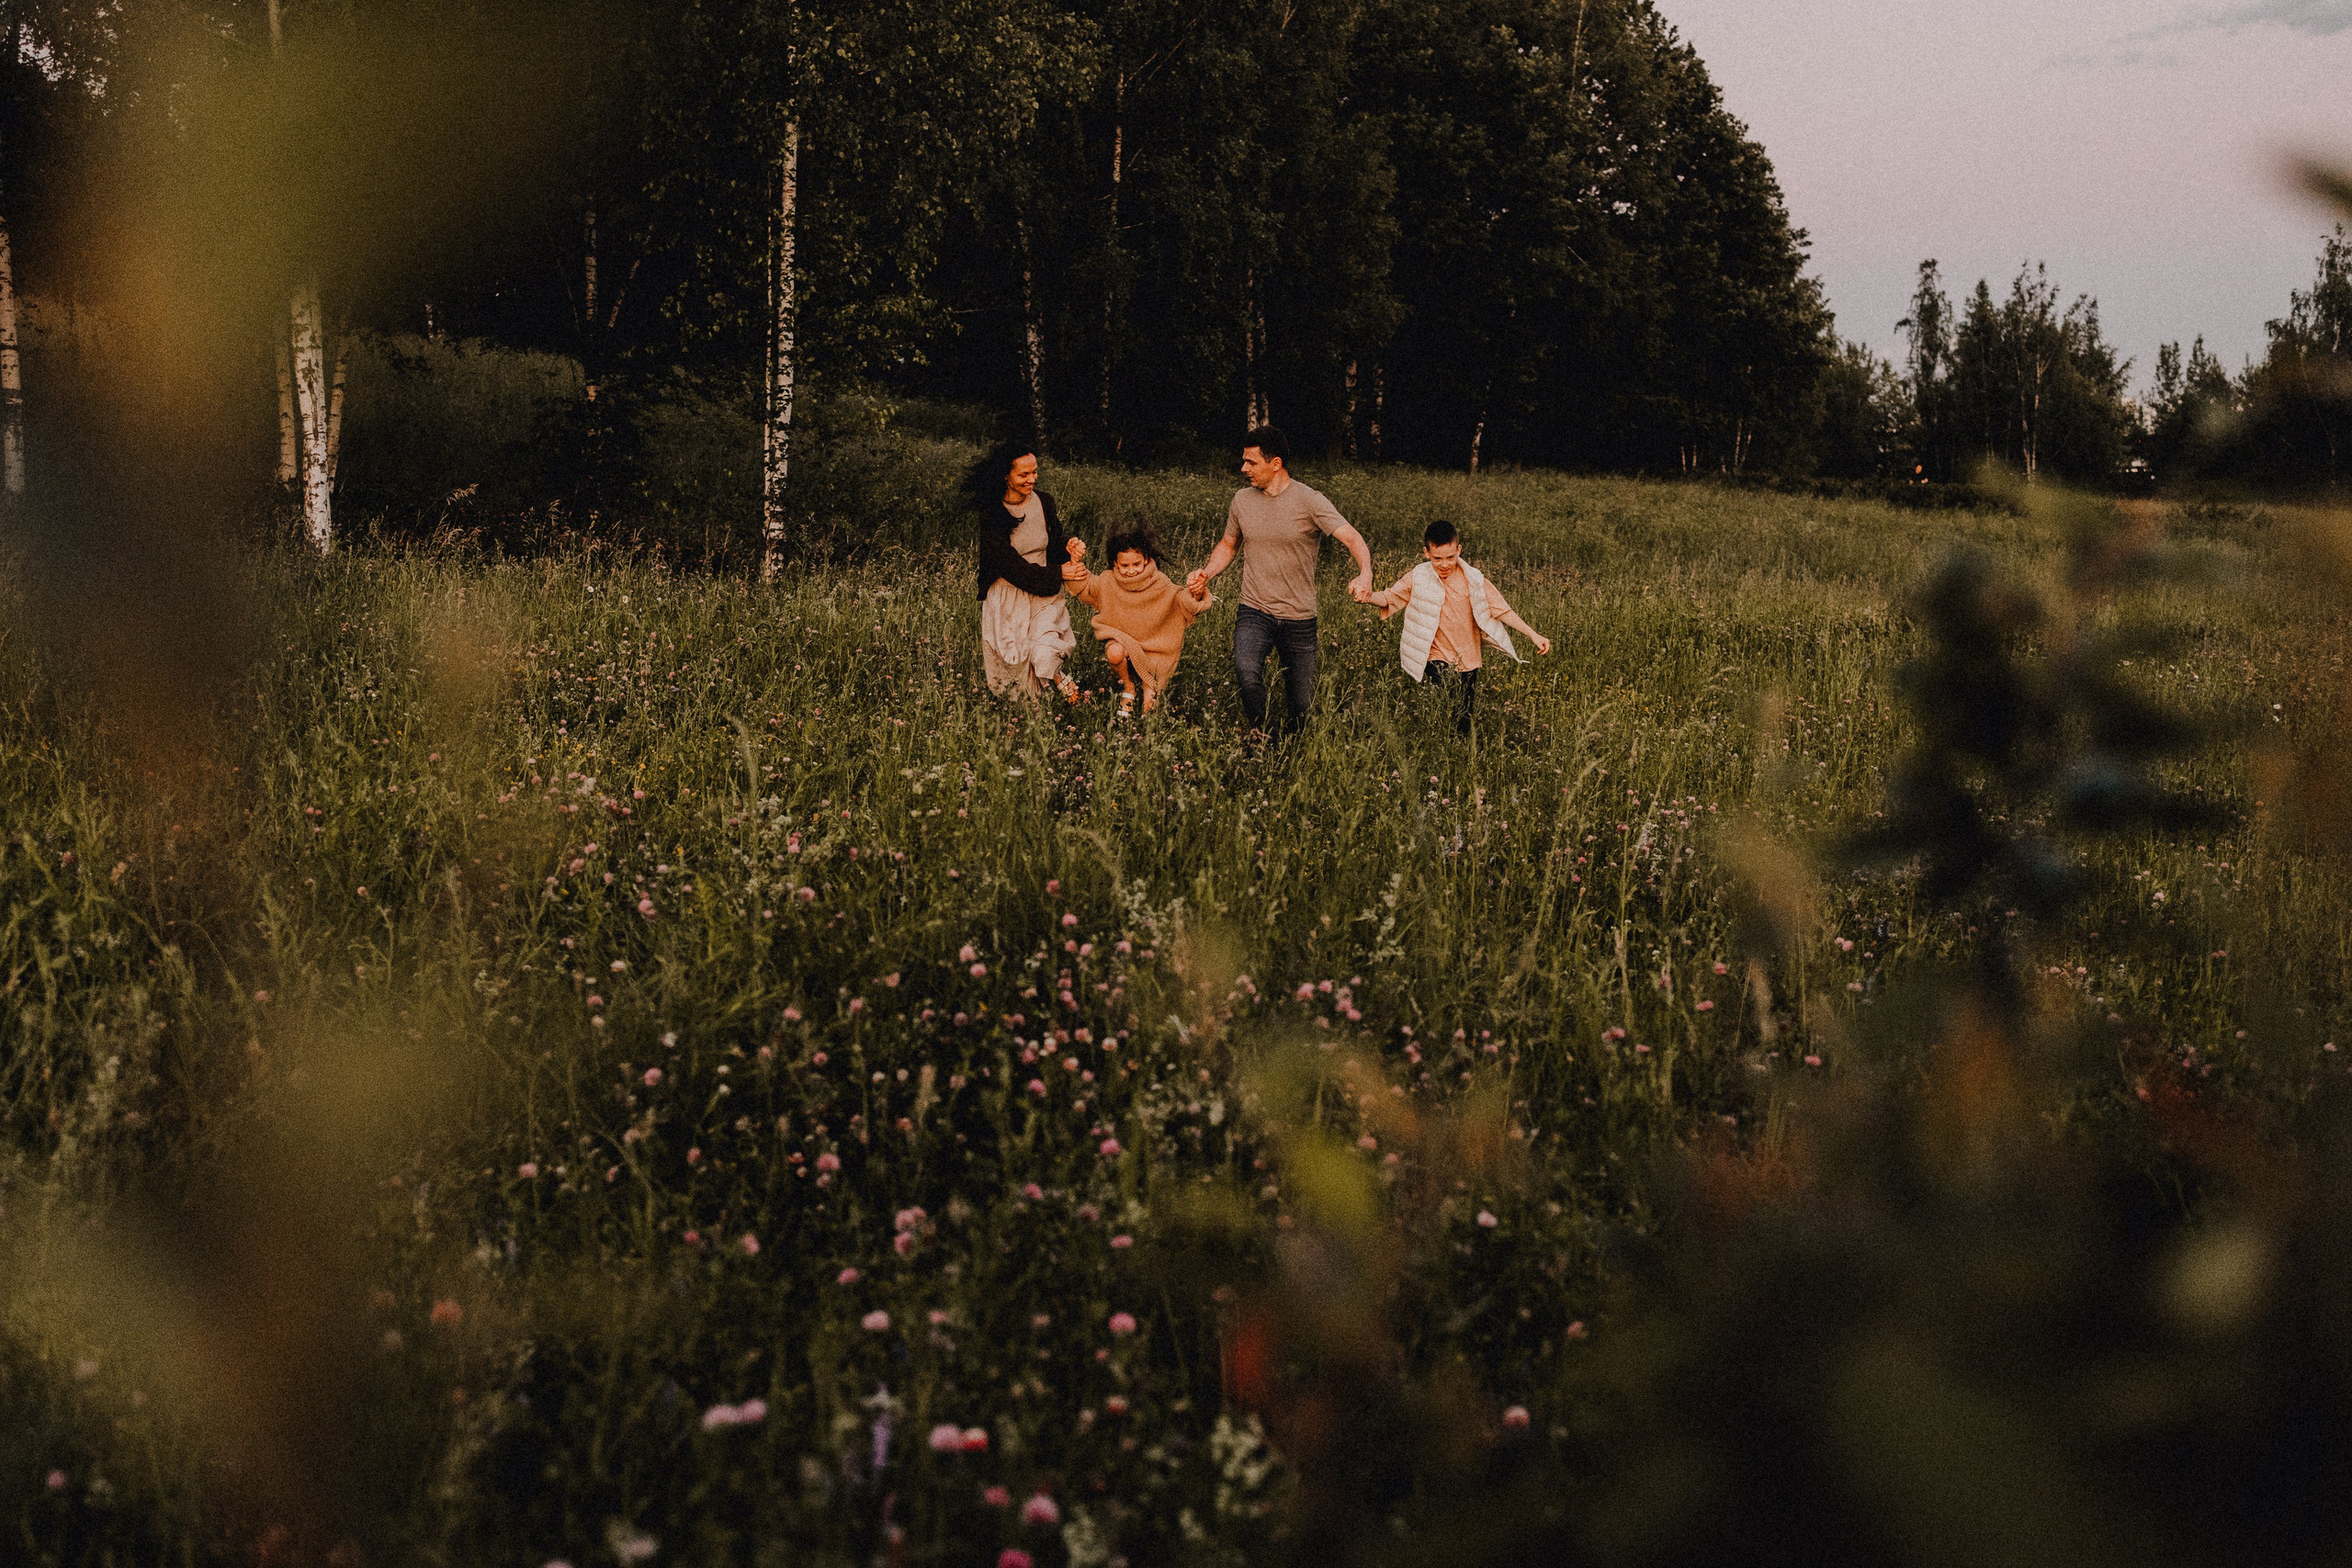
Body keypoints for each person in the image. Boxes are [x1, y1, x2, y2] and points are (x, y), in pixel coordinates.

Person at [1186, 426, 1374, 739]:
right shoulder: (1241, 500)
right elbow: (1228, 544)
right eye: (1243, 461)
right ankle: (1261, 733)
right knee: (1247, 673)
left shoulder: (1310, 501)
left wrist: (1365, 572)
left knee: (1300, 706)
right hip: (1254, 609)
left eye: (1251, 462)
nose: (1243, 469)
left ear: (1275, 464)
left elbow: (1353, 538)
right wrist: (1207, 572)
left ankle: (1291, 748)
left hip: (1299, 617)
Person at [1363, 519, 1551, 736]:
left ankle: (1460, 753)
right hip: (1435, 655)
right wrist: (1368, 597)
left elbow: (1502, 610)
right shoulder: (1418, 577)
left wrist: (1533, 635)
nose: (1444, 564)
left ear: (1459, 550)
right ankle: (1438, 742)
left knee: (1463, 715)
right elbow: (1389, 598)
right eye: (1437, 559)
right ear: (1426, 553)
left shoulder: (1473, 579)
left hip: (1468, 657)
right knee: (1449, 699)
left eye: (1450, 557)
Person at [1060, 517, 1214, 718]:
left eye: (1136, 564)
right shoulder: (1108, 581)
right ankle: (1129, 686)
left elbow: (1180, 600)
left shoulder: (1159, 582)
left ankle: (1147, 695)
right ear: (1115, 563)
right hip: (1122, 644)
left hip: (1154, 651)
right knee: (1114, 652)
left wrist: (1196, 591)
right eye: (1124, 565)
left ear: (1147, 560)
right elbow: (1086, 585)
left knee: (1150, 711)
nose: (1131, 571)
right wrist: (1075, 561)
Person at [968, 441, 1081, 703]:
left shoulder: (1044, 502)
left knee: (1044, 648)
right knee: (1016, 676)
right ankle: (1035, 708)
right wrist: (1058, 574)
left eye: (1035, 472)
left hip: (1042, 594)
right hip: (1009, 594)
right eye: (1024, 475)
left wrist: (1069, 548)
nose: (1032, 479)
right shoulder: (993, 512)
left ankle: (1058, 679)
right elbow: (1009, 566)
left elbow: (1052, 546)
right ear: (1006, 475)